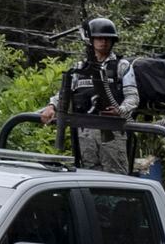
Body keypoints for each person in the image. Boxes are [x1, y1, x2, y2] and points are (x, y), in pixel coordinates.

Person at [39, 16, 139, 172]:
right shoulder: (80, 67)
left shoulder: (121, 65)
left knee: (115, 177)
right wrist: (51, 106)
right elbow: (65, 92)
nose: (103, 42)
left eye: (107, 38)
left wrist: (120, 110)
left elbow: (132, 97)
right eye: (99, 38)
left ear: (112, 41)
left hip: (112, 130)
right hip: (86, 130)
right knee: (88, 173)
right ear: (91, 41)